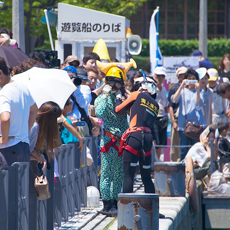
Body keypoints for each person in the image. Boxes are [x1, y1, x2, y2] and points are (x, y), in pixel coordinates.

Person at [95, 58, 136, 216]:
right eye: (112, 82)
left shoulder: (125, 98)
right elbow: (99, 113)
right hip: (109, 140)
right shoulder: (102, 99)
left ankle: (114, 200)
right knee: (106, 173)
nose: (114, 85)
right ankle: (106, 203)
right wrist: (106, 95)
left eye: (117, 82)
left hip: (122, 141)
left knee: (119, 173)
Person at [115, 74, 159, 194]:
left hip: (135, 136)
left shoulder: (136, 94)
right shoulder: (156, 105)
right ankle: (152, 209)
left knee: (129, 175)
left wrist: (119, 98)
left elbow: (118, 110)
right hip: (148, 139)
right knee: (146, 177)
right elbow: (139, 114)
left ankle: (127, 210)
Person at [0, 57, 38, 169]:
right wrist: (26, 130)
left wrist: (4, 138)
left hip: (8, 149)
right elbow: (34, 109)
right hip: (23, 146)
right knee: (21, 186)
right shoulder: (22, 87)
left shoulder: (4, 93)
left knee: (7, 186)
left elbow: (5, 118)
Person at [172, 68, 206, 160]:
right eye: (189, 78)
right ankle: (184, 170)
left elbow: (199, 104)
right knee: (184, 149)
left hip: (197, 125)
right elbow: (174, 99)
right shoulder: (183, 91)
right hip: (183, 125)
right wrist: (181, 86)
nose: (191, 81)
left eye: (193, 78)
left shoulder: (201, 91)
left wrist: (198, 90)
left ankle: (196, 170)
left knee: (197, 149)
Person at [167, 66, 187, 162]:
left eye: (185, 75)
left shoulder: (190, 88)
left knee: (186, 142)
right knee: (175, 143)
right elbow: (170, 106)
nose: (183, 77)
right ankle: (174, 163)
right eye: (181, 75)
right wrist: (173, 121)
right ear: (178, 76)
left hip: (188, 120)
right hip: (177, 117)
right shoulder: (174, 89)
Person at [153, 66, 169, 160]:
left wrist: (167, 116)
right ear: (154, 76)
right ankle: (154, 164)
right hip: (154, 118)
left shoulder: (163, 89)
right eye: (158, 76)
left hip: (163, 117)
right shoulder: (152, 88)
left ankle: (158, 163)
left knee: (161, 144)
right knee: (155, 143)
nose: (160, 78)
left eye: (162, 76)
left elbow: (165, 104)